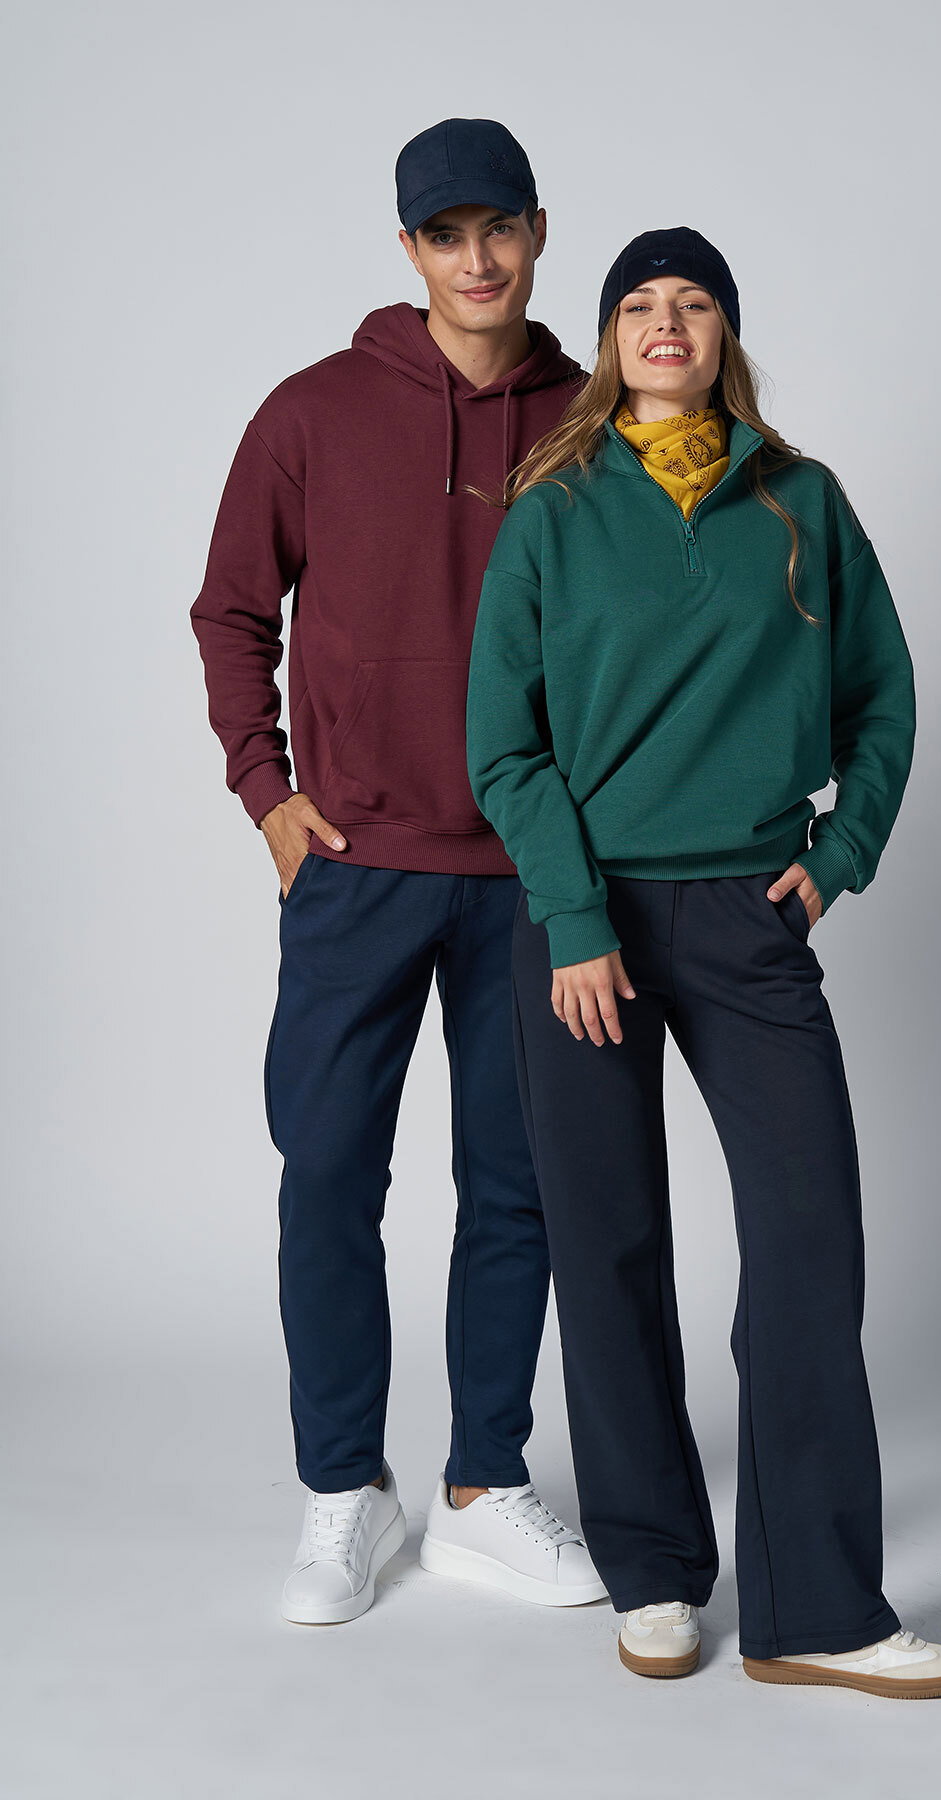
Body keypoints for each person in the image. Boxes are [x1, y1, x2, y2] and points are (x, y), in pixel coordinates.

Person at [464, 227, 941, 1695]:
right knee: (609, 1242)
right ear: (611, 340)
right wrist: (573, 919)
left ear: (725, 333)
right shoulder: (555, 507)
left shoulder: (801, 499)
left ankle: (821, 1609)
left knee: (810, 1245)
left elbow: (883, 694)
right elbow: (504, 744)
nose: (666, 322)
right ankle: (654, 1571)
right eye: (639, 304)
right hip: (586, 925)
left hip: (750, 916)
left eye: (692, 302)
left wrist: (842, 850)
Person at [189, 118, 605, 1625]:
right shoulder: (313, 411)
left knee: (517, 1187)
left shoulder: (592, 420)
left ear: (540, 232)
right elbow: (232, 610)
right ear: (411, 250)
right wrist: (268, 795)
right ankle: (341, 1491)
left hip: (531, 872)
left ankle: (485, 1487)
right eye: (446, 234)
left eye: (499, 227)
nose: (477, 259)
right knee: (325, 1177)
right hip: (357, 866)